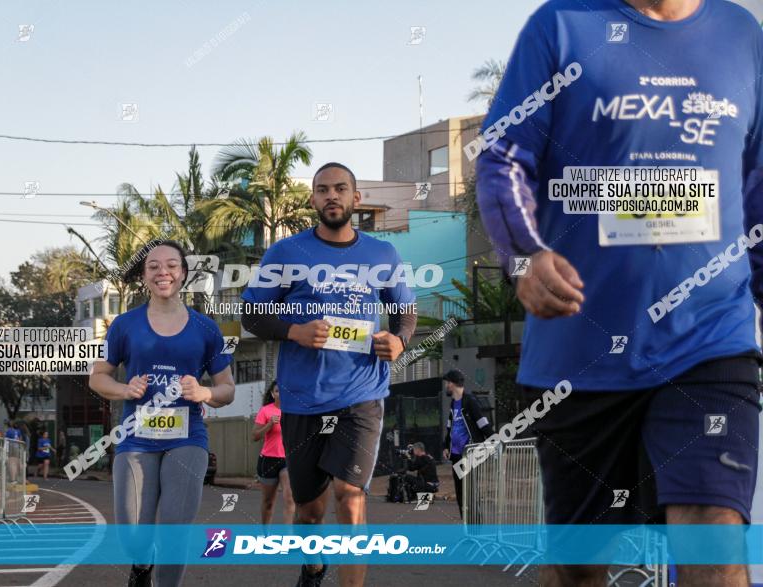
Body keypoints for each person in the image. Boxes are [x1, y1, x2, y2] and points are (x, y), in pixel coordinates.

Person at [476, 1, 763, 585]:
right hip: (581, 358)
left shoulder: (741, 33)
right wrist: (524, 257)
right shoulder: (561, 25)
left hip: (709, 339)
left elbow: (758, 182)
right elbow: (504, 154)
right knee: (580, 569)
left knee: (713, 528)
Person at [241, 162, 417, 586]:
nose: (331, 196)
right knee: (310, 511)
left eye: (340, 189)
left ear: (356, 199)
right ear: (313, 199)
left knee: (350, 497)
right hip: (302, 398)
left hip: (361, 394)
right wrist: (294, 331)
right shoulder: (286, 253)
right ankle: (314, 565)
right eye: (322, 190)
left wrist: (399, 342)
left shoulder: (382, 253)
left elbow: (405, 313)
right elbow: (251, 312)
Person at [89, 240, 235, 587]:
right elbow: (97, 377)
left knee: (174, 530)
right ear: (144, 276)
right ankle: (142, 564)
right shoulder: (124, 325)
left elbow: (227, 389)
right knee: (132, 537)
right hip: (136, 438)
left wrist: (204, 392)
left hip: (188, 437)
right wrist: (126, 390)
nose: (162, 272)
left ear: (183, 273)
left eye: (171, 265)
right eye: (153, 266)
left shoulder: (205, 328)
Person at [441, 369, 494, 520]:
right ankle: (467, 527)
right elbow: (450, 427)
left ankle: (475, 526)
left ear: (452, 384)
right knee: (460, 492)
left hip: (470, 454)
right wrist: (446, 446)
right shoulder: (453, 404)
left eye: (447, 383)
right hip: (456, 456)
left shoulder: (470, 401)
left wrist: (494, 440)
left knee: (469, 491)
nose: (446, 386)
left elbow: (482, 423)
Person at [252, 381, 295, 525]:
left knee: (289, 498)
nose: (280, 393)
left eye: (282, 390)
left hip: (287, 460)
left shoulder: (293, 411)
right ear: (272, 394)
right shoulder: (265, 410)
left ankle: (289, 539)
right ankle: (266, 535)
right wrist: (269, 424)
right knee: (268, 502)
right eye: (277, 391)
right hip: (268, 460)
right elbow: (255, 436)